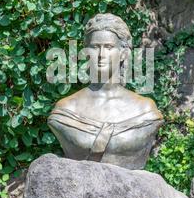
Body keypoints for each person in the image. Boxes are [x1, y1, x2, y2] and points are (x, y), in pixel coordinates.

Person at [48, 13, 163, 169]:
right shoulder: (66, 110)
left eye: (109, 47)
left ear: (123, 53)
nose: (101, 55)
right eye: (95, 47)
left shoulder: (145, 110)